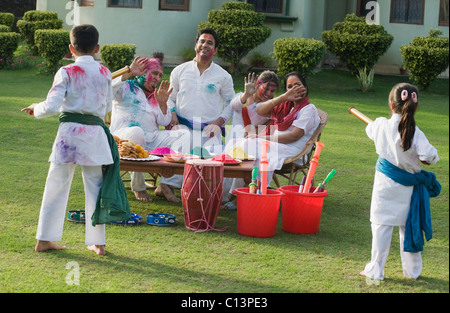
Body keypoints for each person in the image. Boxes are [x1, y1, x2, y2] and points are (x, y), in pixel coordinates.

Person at [21, 24, 119, 256]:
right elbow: (106, 106)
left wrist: (36, 108)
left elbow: (52, 106)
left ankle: (44, 239)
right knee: (95, 187)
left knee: (56, 185)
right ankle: (98, 243)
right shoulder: (105, 72)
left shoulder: (66, 71)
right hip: (94, 134)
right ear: (97, 48)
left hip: (69, 135)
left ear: (70, 48)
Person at [360, 83, 440, 281]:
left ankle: (376, 269)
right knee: (408, 227)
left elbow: (370, 131)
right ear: (415, 106)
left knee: (381, 227)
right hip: (407, 189)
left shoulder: (379, 125)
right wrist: (422, 159)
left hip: (384, 188)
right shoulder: (416, 132)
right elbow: (430, 156)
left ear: (391, 104)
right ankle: (412, 271)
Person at [159, 27, 235, 202]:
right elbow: (170, 98)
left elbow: (231, 103)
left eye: (210, 43)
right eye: (202, 41)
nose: (205, 45)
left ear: (215, 50)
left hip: (209, 129)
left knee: (211, 159)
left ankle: (201, 192)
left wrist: (218, 122)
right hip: (182, 125)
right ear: (196, 45)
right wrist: (172, 114)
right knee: (182, 146)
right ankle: (166, 186)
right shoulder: (180, 70)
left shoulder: (223, 76)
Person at [110, 56, 187, 202]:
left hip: (151, 139)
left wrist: (163, 104)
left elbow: (164, 121)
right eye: (154, 73)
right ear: (142, 72)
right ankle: (139, 187)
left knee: (184, 134)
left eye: (160, 75)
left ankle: (166, 184)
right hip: (124, 139)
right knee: (136, 132)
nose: (158, 78)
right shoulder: (126, 86)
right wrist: (128, 73)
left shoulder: (156, 95)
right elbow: (109, 90)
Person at [226, 71, 320, 187]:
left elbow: (293, 136)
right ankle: (247, 190)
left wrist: (262, 138)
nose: (294, 89)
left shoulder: (309, 109)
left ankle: (252, 190)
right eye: (290, 87)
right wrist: (284, 97)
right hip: (277, 144)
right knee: (243, 144)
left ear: (304, 87)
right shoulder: (286, 107)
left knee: (251, 146)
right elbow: (260, 110)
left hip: (292, 148)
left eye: (297, 85)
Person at [222, 70, 279, 208]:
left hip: (253, 144)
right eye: (266, 88)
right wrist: (247, 94)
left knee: (253, 153)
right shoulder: (242, 97)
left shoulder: (267, 108)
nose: (269, 94)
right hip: (233, 145)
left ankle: (241, 197)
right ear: (258, 85)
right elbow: (234, 105)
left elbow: (254, 115)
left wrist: (250, 99)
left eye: (272, 91)